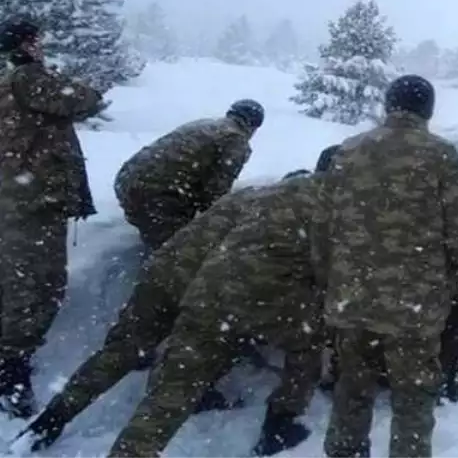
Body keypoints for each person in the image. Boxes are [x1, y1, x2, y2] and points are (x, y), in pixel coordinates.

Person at [18, 171, 310, 452]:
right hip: (209, 295)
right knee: (175, 390)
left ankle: (50, 420)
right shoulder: (304, 220)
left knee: (120, 351)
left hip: (164, 273)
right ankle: (272, 420)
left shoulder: (248, 196)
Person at [314, 74, 458, 458]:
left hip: (352, 299)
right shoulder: (439, 154)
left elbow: (323, 225)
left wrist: (328, 279)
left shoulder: (349, 150)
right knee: (413, 396)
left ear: (388, 105)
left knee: (352, 389)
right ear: (428, 110)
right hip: (414, 305)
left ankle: (344, 451)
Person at [103, 170, 325, 458]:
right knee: (306, 348)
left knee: (191, 361)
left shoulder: (257, 200)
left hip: (210, 291)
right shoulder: (327, 209)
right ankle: (280, 423)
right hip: (265, 300)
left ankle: (165, 404)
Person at [0, 16, 103, 418]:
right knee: (37, 286)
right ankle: (10, 371)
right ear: (26, 44)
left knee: (19, 281)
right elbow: (85, 98)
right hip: (30, 204)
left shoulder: (13, 84)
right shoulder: (28, 79)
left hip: (20, 200)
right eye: (37, 40)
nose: (43, 45)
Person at [113, 98, 263, 249]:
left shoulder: (203, 124)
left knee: (157, 238)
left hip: (128, 179)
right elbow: (216, 190)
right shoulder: (236, 140)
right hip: (159, 191)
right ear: (254, 126)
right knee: (176, 251)